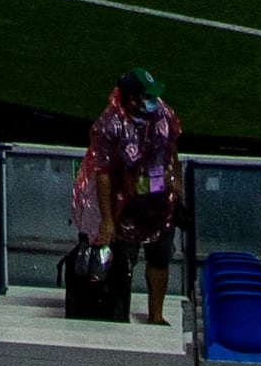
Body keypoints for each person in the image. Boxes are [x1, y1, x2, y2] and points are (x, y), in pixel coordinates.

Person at [76, 69, 187, 327]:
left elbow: (172, 150)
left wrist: (176, 185)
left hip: (158, 200)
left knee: (159, 258)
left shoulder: (163, 113)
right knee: (122, 263)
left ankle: (156, 316)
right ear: (132, 99)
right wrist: (107, 220)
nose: (153, 100)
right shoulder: (109, 124)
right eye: (146, 96)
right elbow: (102, 174)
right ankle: (118, 317)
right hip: (124, 203)